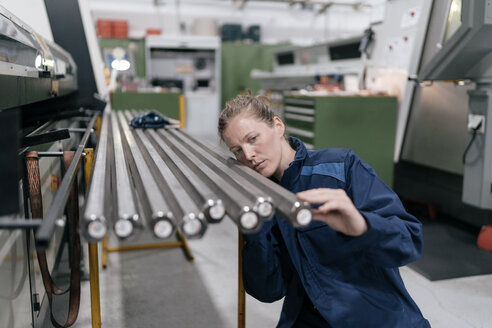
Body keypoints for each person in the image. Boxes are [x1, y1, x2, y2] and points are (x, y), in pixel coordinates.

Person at [218, 91, 430, 328]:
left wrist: (362, 226)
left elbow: (409, 241)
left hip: (374, 315)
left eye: (253, 138)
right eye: (237, 150)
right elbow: (268, 291)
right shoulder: (262, 201)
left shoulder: (341, 167)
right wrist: (254, 229)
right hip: (309, 316)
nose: (248, 155)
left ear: (277, 126)